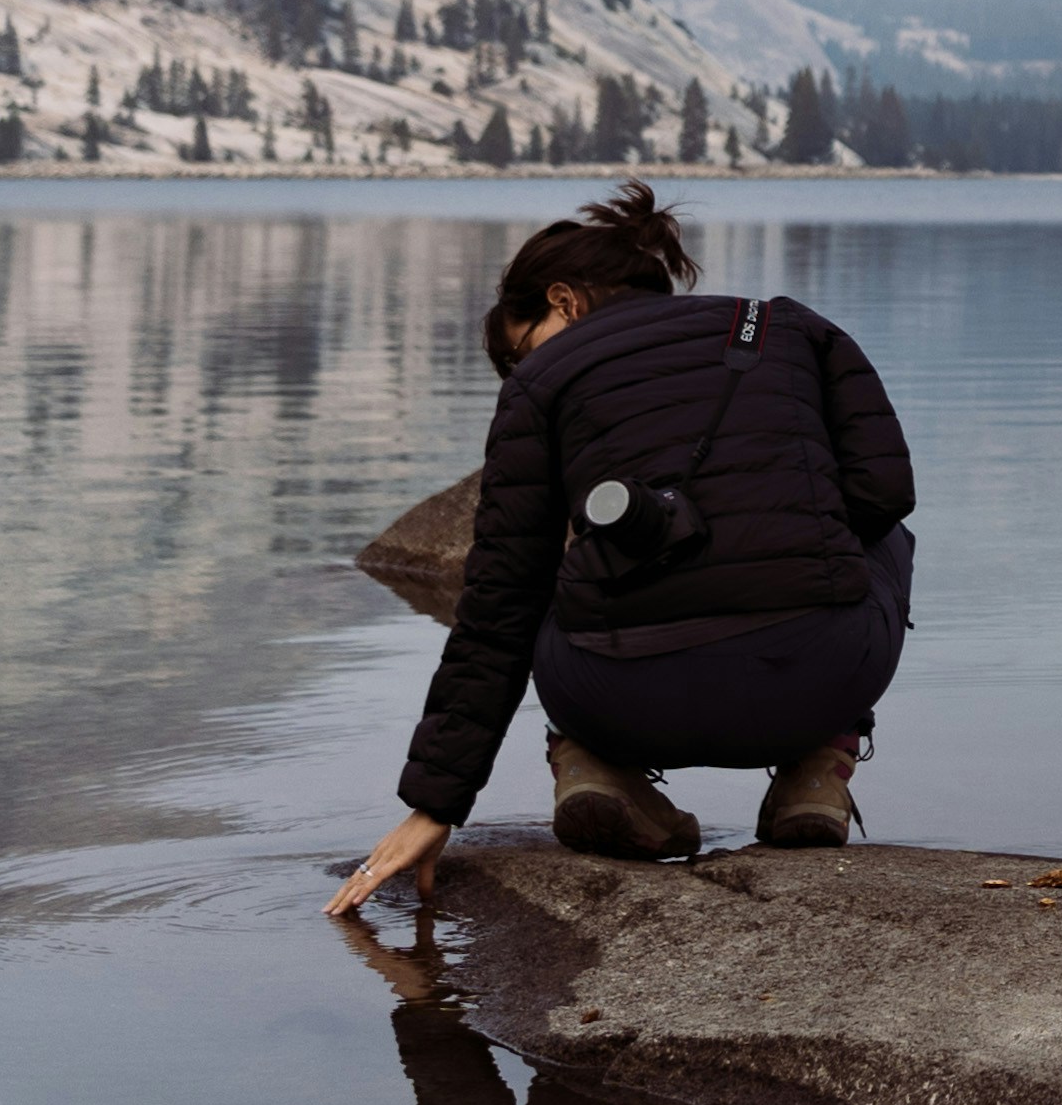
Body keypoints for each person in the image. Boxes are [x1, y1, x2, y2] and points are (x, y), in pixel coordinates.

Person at [327, 179, 915, 914]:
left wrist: (435, 805)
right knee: (887, 539)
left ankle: (594, 767)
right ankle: (816, 771)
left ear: (565, 300)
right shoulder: (792, 329)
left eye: (521, 346)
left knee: (536, 576)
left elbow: (498, 609)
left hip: (620, 701)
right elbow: (883, 495)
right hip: (820, 675)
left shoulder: (541, 385)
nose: (521, 368)